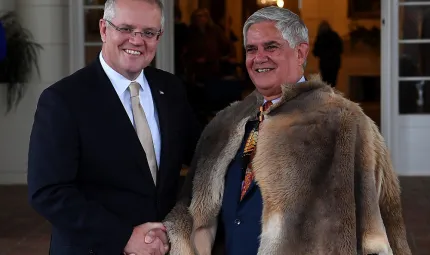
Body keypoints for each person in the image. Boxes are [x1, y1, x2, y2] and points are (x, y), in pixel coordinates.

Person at [163, 6, 411, 255]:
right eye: (251, 49)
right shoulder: (225, 123)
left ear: (300, 52)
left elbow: (379, 228)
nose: (259, 57)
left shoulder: (346, 125)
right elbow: (190, 208)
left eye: (271, 47)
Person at [27, 0, 200, 254]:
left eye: (148, 33)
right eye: (126, 28)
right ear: (104, 29)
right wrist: (124, 237)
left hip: (163, 247)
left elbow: (201, 154)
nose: (137, 40)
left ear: (158, 37)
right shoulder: (63, 100)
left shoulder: (170, 89)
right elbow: (48, 192)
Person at [312, 20, 343, 87]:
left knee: (326, 82)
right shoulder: (334, 36)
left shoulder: (320, 37)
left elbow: (315, 51)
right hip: (334, 63)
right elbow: (340, 49)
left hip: (325, 63)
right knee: (332, 82)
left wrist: (322, 54)